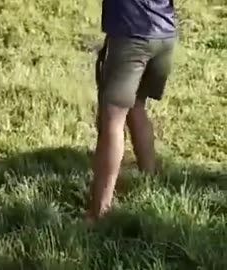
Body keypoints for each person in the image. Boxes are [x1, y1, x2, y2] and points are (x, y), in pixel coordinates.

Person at [86, 0, 177, 221]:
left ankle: (100, 211)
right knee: (136, 104)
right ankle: (150, 177)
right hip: (166, 34)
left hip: (132, 36)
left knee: (112, 120)